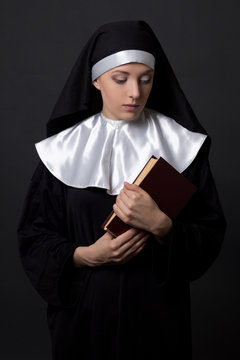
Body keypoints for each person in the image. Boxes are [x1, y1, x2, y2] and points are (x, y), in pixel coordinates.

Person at [17, 20, 226, 360]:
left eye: (146, 79)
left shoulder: (182, 146)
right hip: (83, 321)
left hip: (158, 321)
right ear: (96, 79)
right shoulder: (62, 151)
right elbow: (34, 238)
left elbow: (209, 234)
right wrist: (85, 256)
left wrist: (161, 225)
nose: (135, 92)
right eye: (121, 78)